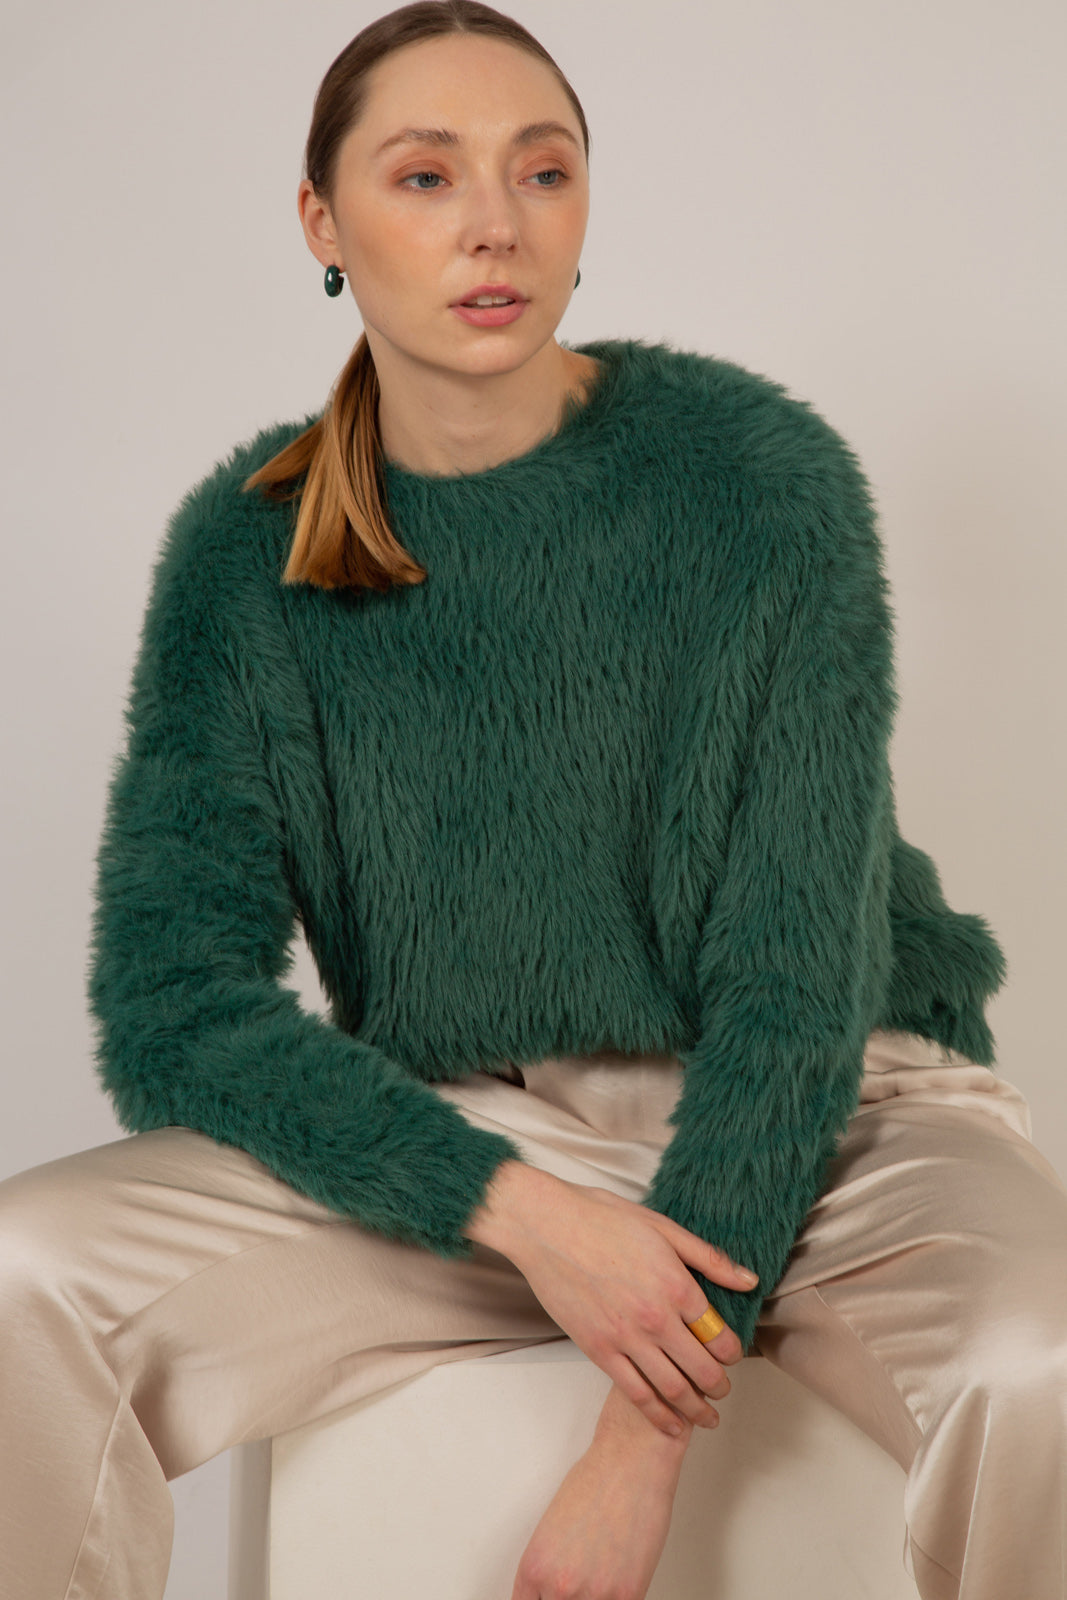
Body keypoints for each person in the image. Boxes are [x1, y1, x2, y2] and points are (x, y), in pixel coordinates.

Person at [1, 3, 1065, 1597]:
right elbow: (173, 1008)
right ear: (323, 223)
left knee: (1041, 1366)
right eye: (426, 176)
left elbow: (793, 984)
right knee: (20, 1279)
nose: (495, 223)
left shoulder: (758, 481)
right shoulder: (247, 551)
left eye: (542, 170)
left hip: (841, 1123)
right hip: (480, 1143)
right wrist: (530, 1215)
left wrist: (639, 1447)